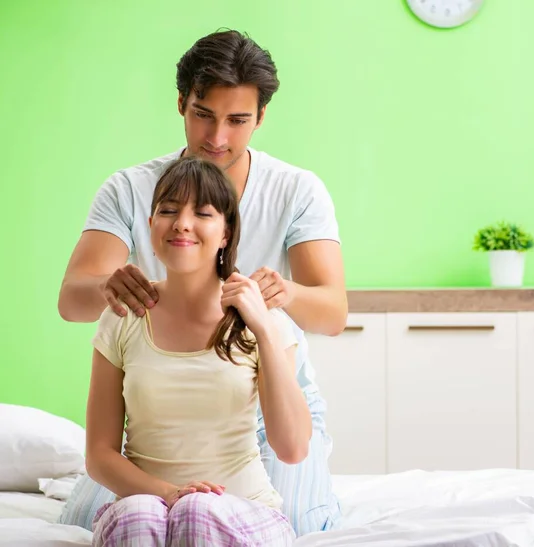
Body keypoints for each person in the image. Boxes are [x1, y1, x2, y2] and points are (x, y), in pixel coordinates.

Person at [59, 29, 347, 535]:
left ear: (260, 117)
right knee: (92, 521)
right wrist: (111, 286)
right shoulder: (129, 189)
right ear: (181, 104)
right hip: (159, 410)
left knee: (298, 523)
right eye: (203, 115)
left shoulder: (297, 190)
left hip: (266, 399)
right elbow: (72, 299)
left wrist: (280, 298)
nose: (217, 138)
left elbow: (332, 313)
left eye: (237, 120)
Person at [88, 156, 308, 546]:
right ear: (151, 225)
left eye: (202, 213)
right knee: (140, 511)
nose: (182, 223)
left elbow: (292, 448)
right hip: (148, 509)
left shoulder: (264, 321)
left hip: (246, 509)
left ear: (226, 233)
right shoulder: (123, 317)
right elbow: (100, 455)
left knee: (198, 510)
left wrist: (263, 329)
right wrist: (168, 493)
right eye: (167, 210)